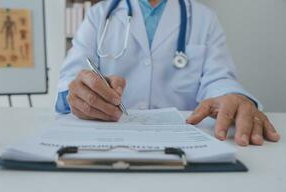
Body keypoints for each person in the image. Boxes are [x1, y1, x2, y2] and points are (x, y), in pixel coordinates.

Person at [56, 0, 280, 146]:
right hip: (109, 142)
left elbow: (219, 79)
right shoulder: (99, 15)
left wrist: (232, 97)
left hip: (182, 144)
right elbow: (71, 79)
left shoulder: (204, 18)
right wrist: (80, 93)